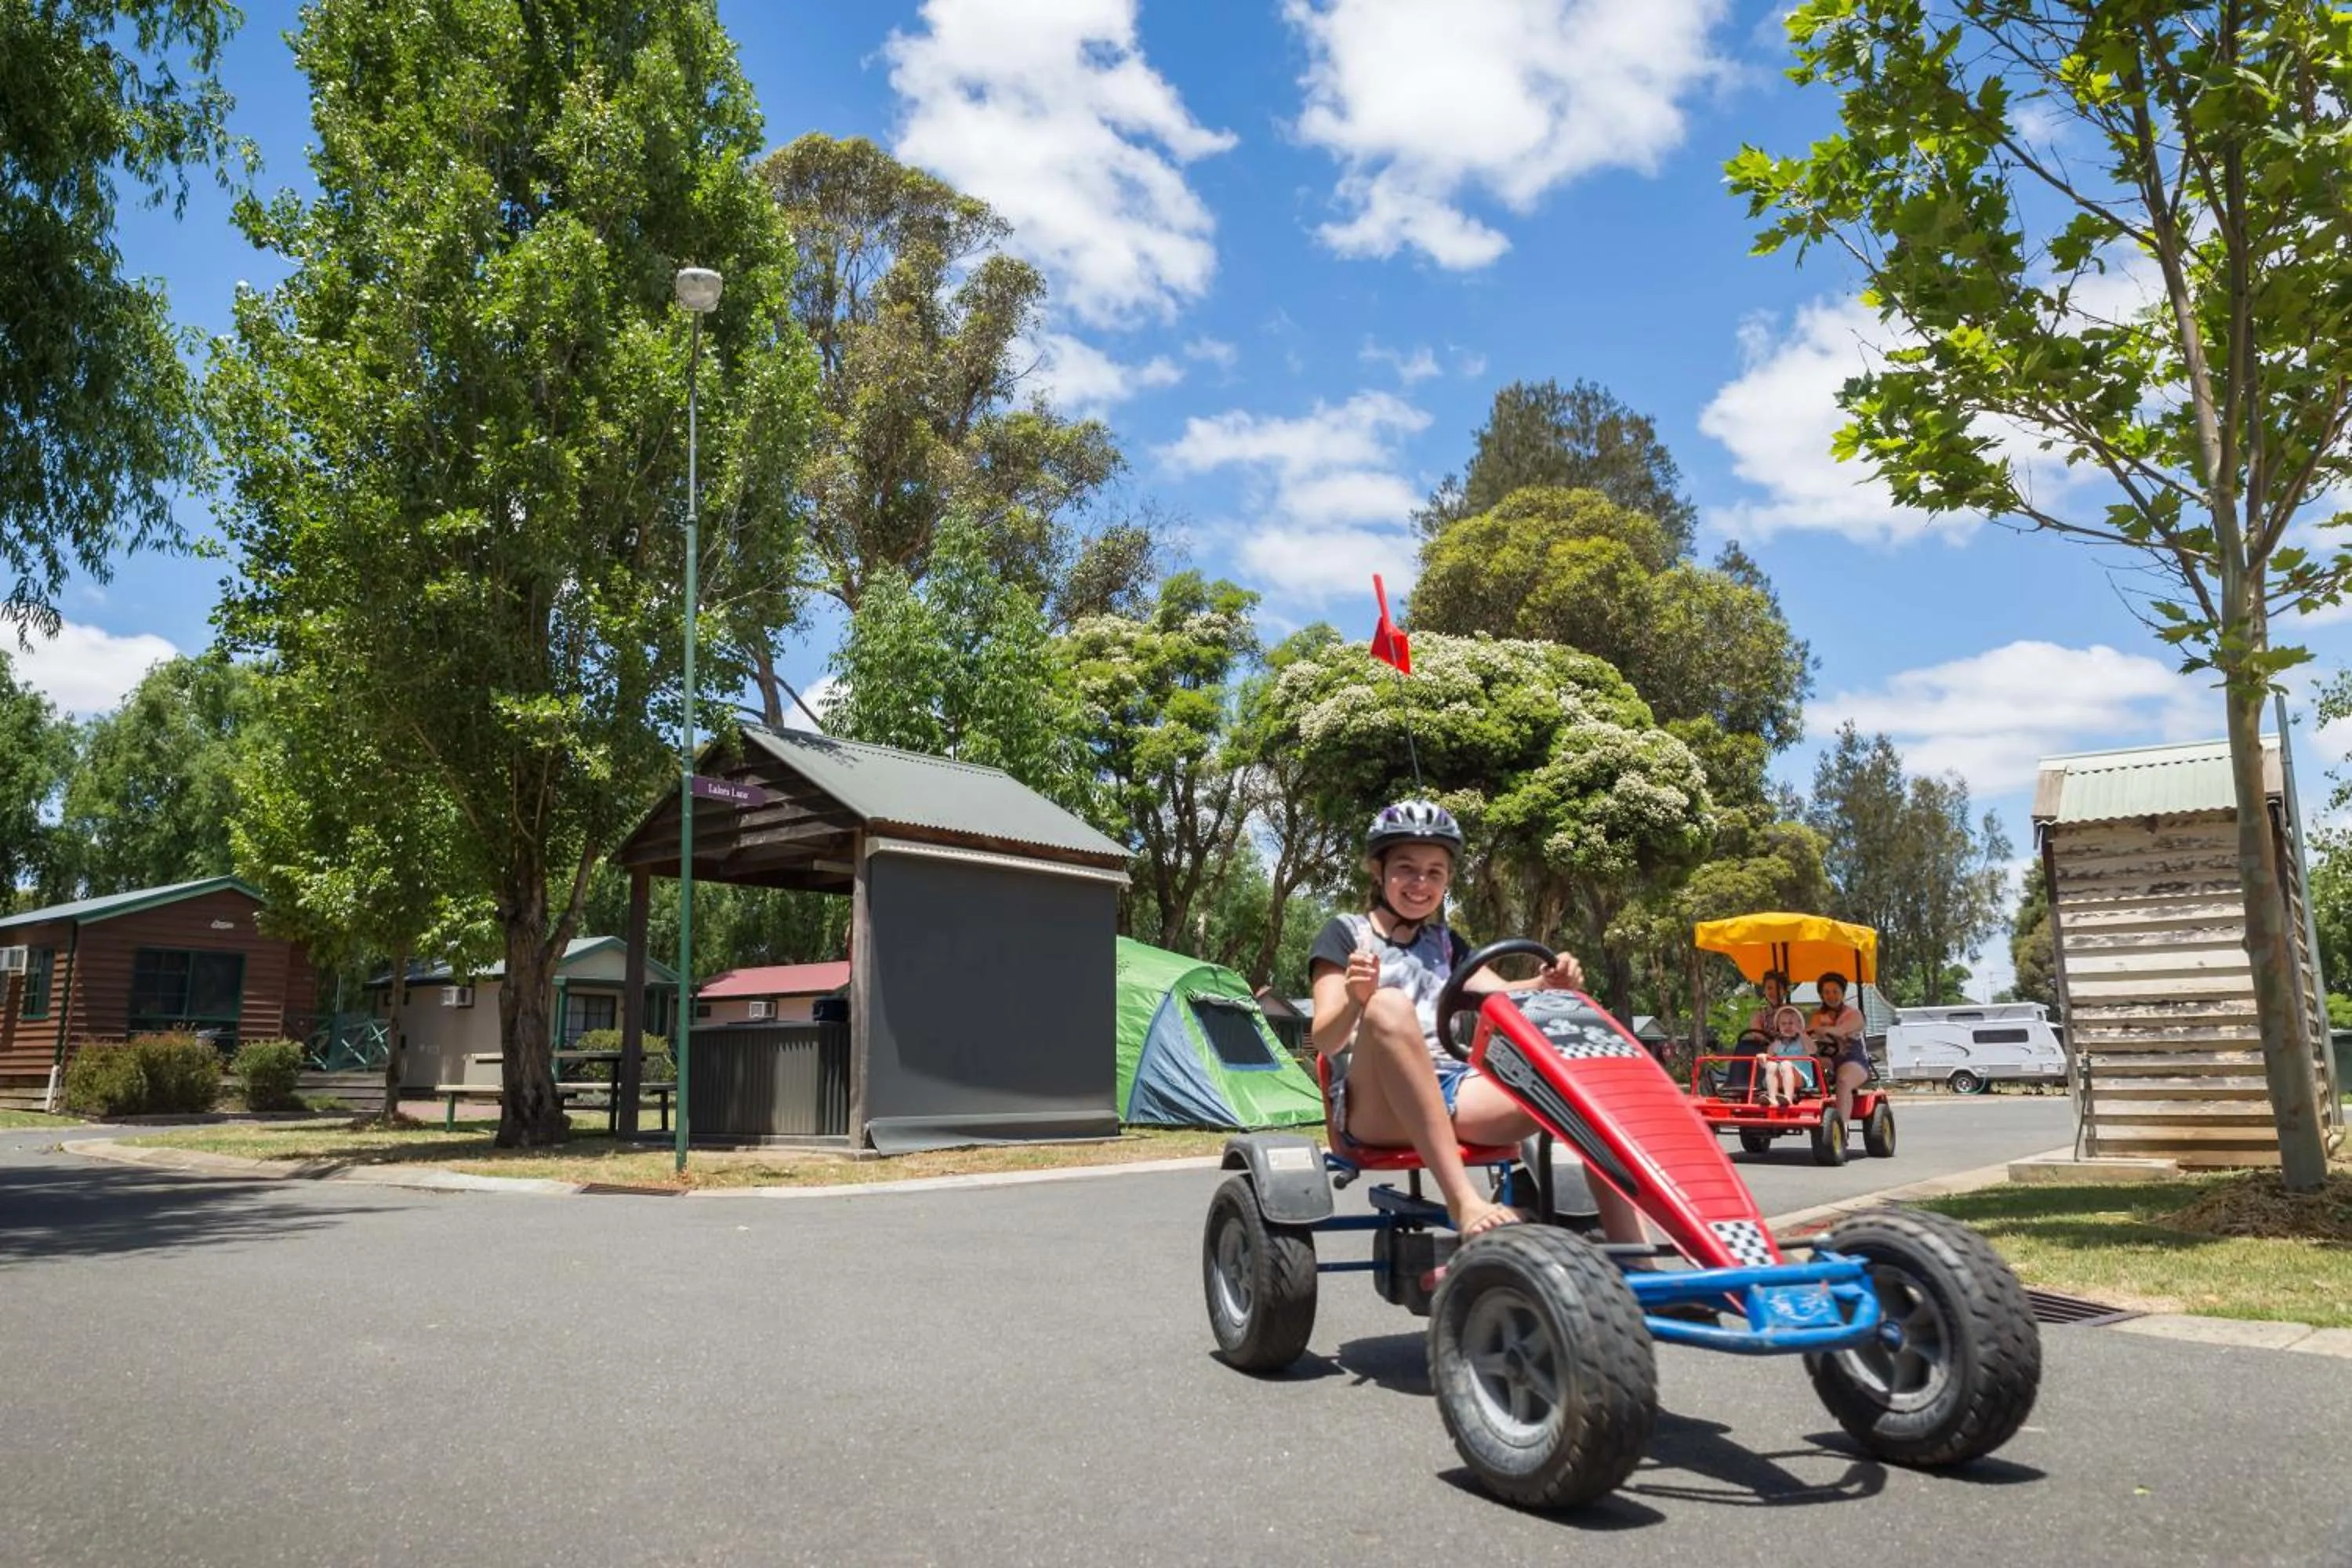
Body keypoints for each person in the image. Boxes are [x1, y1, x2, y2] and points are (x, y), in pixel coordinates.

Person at [1307, 800, 1647, 1243]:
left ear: (1447, 879)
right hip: (1374, 1107)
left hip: (1452, 1091)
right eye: (1406, 868)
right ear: (1378, 870)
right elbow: (1326, 1039)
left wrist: (1549, 984)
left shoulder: (1445, 944)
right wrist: (1357, 1001)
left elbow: (1505, 996)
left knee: (1577, 1096)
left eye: (1435, 872)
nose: (1420, 883)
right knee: (1388, 1005)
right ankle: (1464, 1202)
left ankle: (1638, 1258)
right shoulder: (1347, 935)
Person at [1809, 971, 1871, 1120]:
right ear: (1822, 995)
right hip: (1828, 1060)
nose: (1831, 996)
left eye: (1835, 992)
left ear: (1843, 993)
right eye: (1827, 992)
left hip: (1852, 1060)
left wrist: (1822, 1030)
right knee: (1809, 1066)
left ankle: (1843, 1126)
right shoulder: (1818, 1016)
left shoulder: (1854, 1014)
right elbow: (1809, 1034)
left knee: (1843, 1081)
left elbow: (1841, 1030)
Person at [1761, 1004, 1815, 1106]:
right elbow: (1766, 1063)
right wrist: (1763, 1059)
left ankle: (1788, 1098)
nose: (1787, 1027)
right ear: (1778, 1026)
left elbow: (1813, 1050)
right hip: (1780, 1077)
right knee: (1771, 1065)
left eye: (1791, 1023)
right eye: (1783, 1024)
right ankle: (1772, 1098)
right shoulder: (1775, 1045)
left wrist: (1801, 1033)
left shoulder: (1802, 1041)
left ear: (1799, 1025)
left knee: (1786, 1064)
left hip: (1800, 1078)